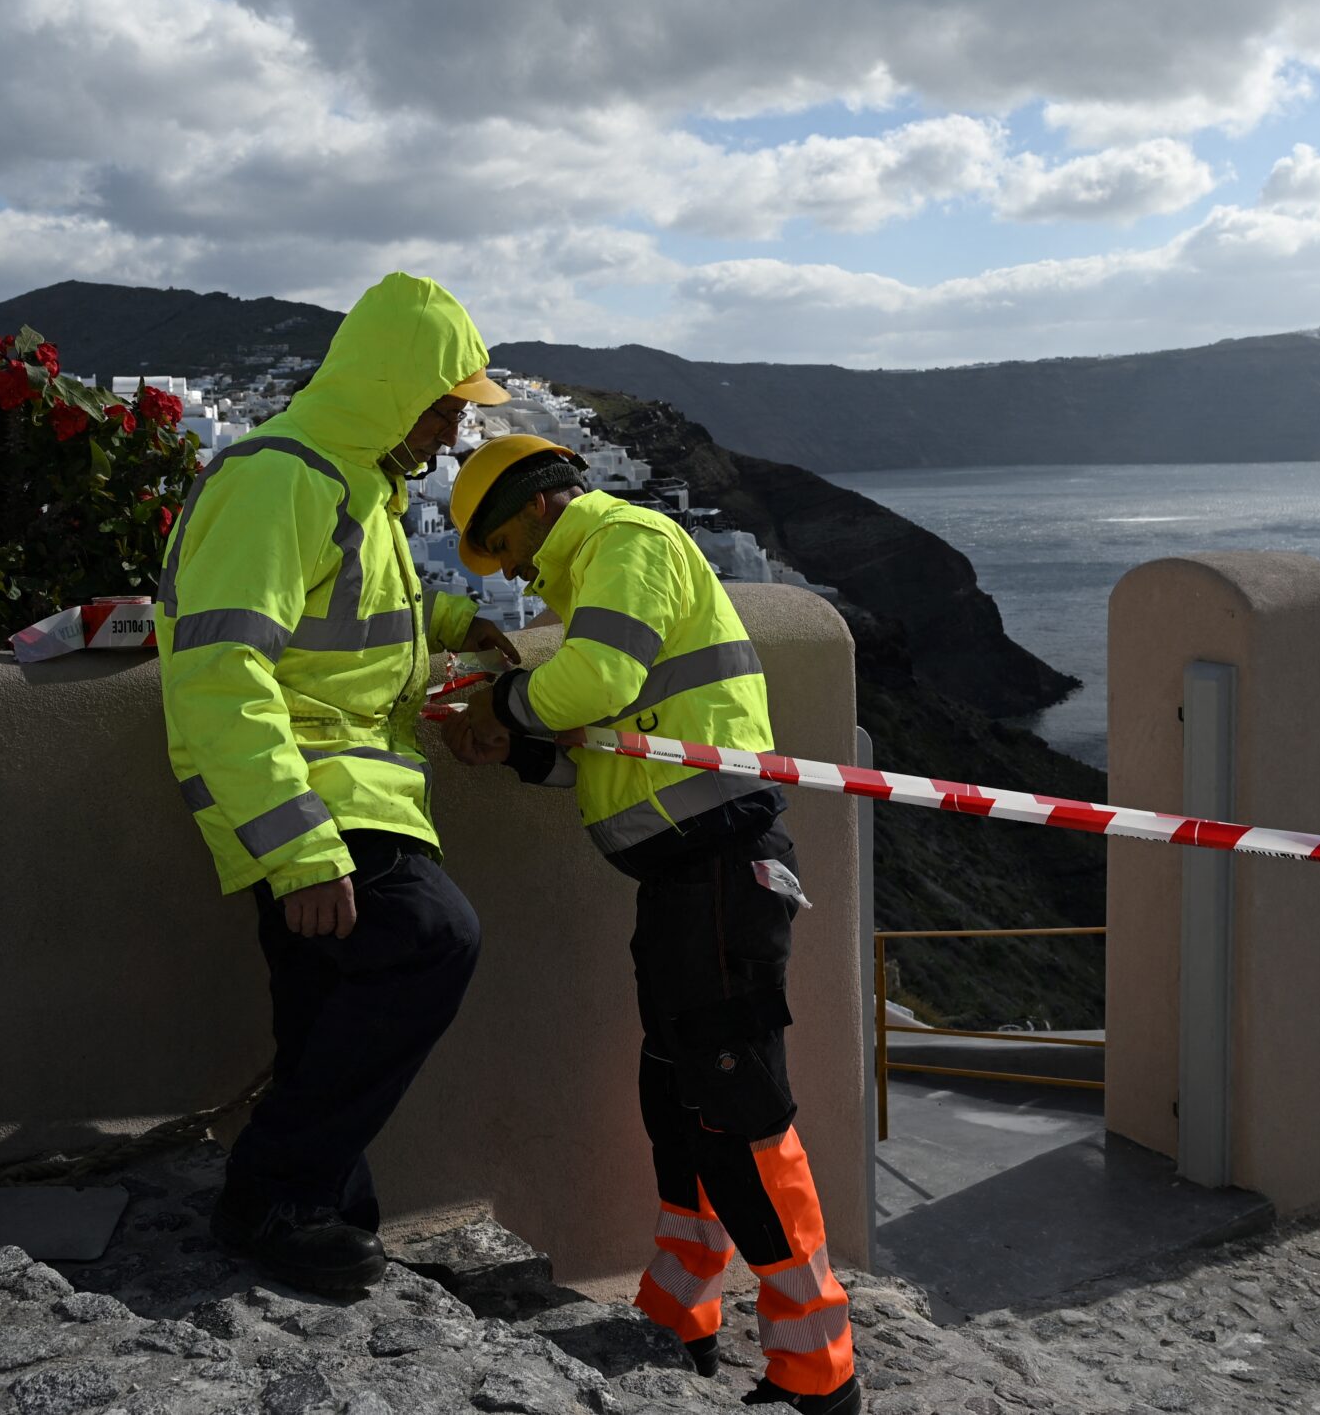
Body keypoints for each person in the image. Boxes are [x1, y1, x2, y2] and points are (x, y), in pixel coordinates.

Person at [441, 434, 860, 1415]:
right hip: (683, 880)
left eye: (507, 550)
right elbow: (610, 754)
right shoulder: (595, 574)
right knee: (678, 1099)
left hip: (719, 869)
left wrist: (500, 700)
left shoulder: (628, 540)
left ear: (539, 507)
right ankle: (682, 1314)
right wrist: (509, 748)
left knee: (736, 1110)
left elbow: (590, 686)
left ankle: (817, 1373)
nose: (515, 576)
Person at [156, 272, 519, 1295]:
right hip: (311, 794)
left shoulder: (352, 483)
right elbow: (221, 671)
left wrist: (456, 629)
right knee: (429, 938)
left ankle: (316, 1219)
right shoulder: (281, 480)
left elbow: (353, 618)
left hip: (338, 786)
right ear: (391, 387)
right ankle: (269, 1193)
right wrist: (299, 845)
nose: (451, 433)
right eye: (445, 406)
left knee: (322, 1014)